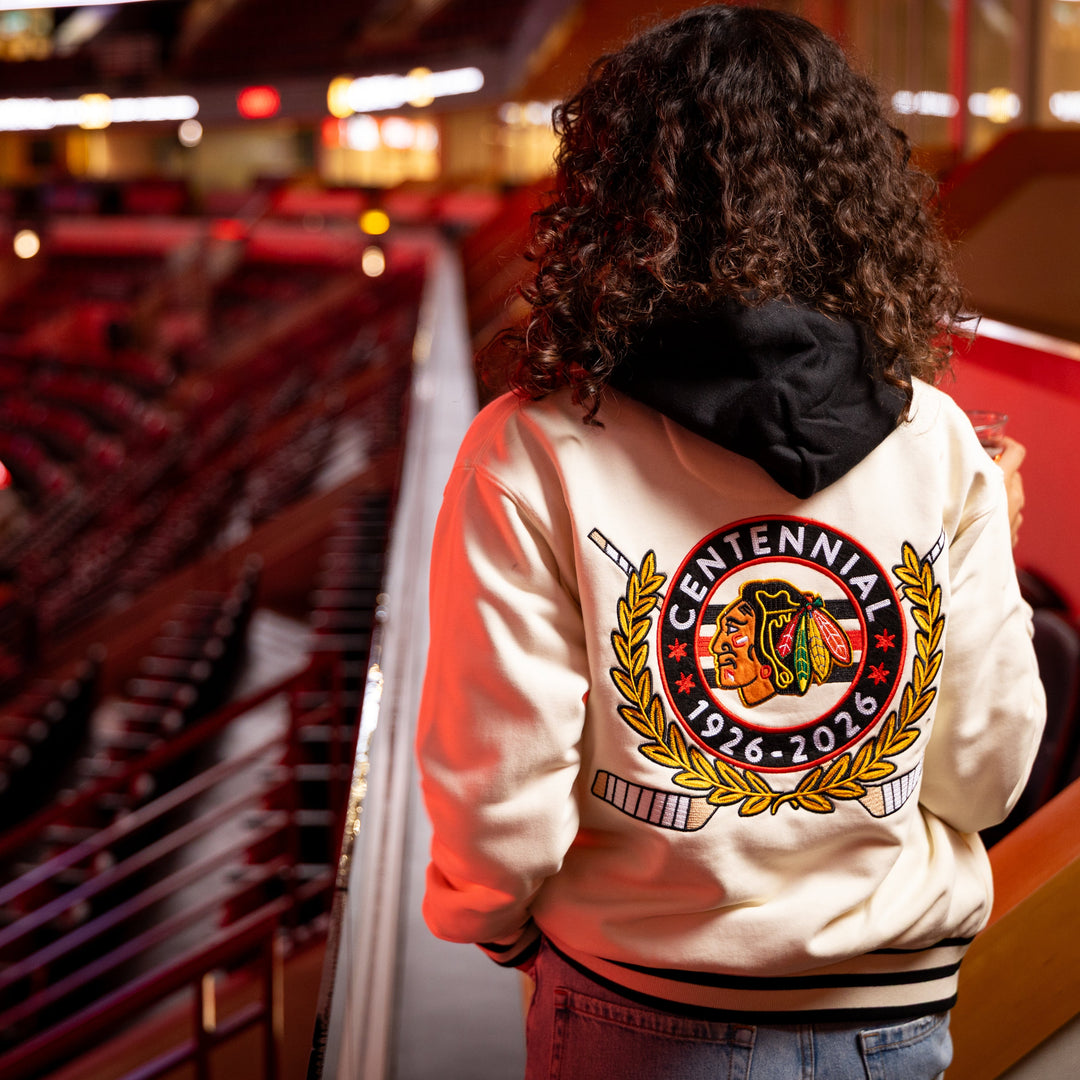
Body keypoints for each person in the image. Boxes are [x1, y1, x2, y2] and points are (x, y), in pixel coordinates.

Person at [416, 6, 1046, 1078]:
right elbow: (985, 778)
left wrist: (508, 926)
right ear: (856, 198)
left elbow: (499, 784)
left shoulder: (532, 448)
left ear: (612, 199)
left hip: (633, 1009)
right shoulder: (939, 443)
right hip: (885, 1020)